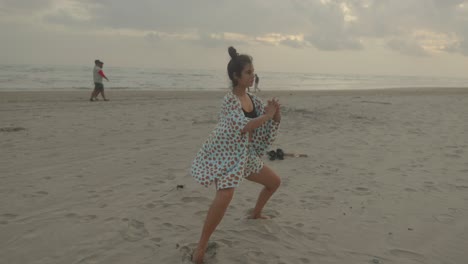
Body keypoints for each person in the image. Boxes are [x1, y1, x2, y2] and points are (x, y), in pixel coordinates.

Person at [190, 46, 282, 264]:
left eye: (253, 72)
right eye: (248, 72)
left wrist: (275, 115)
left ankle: (256, 213)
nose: (253, 76)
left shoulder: (253, 100)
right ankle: (200, 248)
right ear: (236, 76)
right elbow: (245, 126)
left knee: (274, 182)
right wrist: (267, 116)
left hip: (245, 156)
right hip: (225, 156)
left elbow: (265, 127)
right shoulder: (229, 101)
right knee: (225, 196)